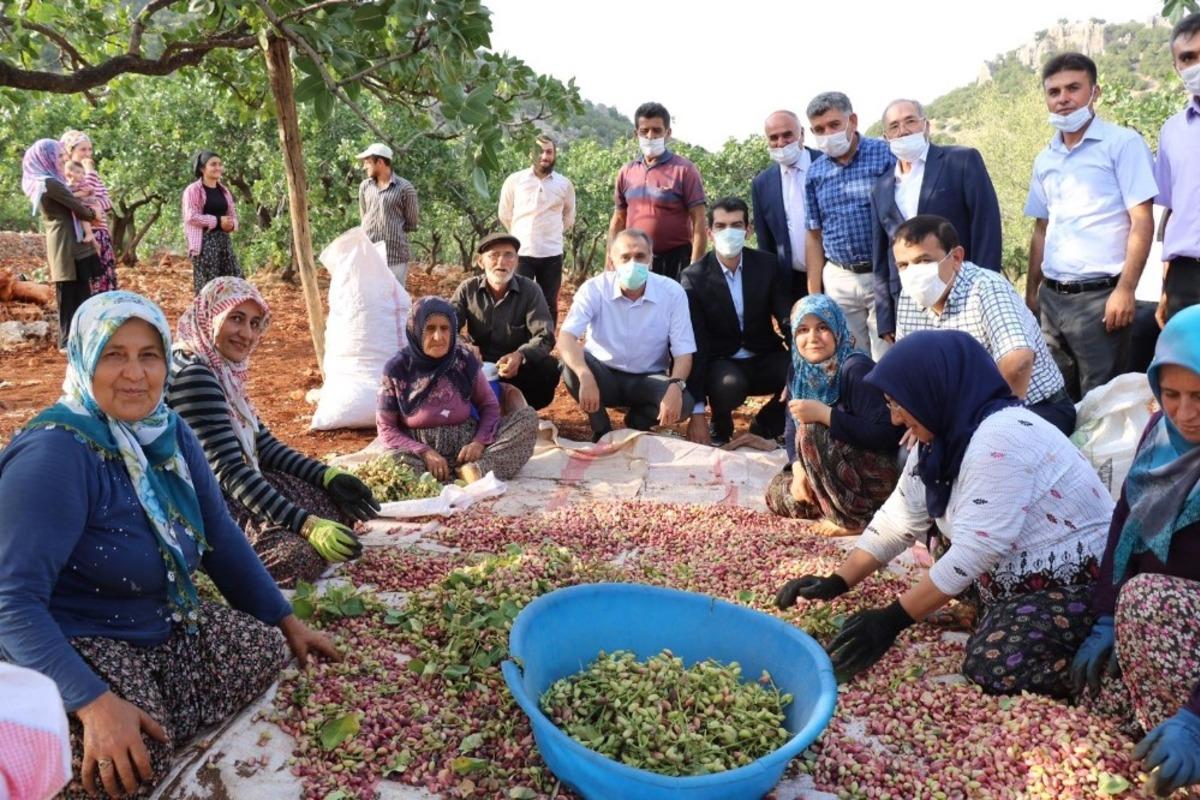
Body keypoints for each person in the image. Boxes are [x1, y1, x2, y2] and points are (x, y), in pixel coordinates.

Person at [0, 292, 337, 799]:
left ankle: (146, 703)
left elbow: (220, 536)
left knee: (261, 647)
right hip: (74, 637)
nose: (135, 373)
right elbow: (11, 601)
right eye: (114, 354)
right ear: (84, 358)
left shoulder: (167, 431)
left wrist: (287, 621)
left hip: (155, 623)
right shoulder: (57, 453)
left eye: (148, 355)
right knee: (125, 765)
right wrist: (93, 703)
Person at [776, 331, 1111, 696]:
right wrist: (837, 581)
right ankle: (996, 610)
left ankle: (1102, 668)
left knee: (994, 664)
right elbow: (899, 517)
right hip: (1009, 573)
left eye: (897, 403)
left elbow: (977, 549)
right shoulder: (940, 439)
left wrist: (892, 620)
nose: (894, 419)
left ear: (933, 389)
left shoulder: (1000, 438)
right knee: (942, 549)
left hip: (1077, 584)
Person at [167, 277, 376, 587]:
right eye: (236, 319)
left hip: (228, 486)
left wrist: (326, 477)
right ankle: (209, 570)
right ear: (211, 316)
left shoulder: (220, 370)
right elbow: (230, 472)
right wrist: (306, 525)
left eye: (254, 323)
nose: (247, 334)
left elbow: (263, 446)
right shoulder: (195, 377)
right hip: (198, 504)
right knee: (296, 558)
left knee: (336, 504)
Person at [1070, 306, 1200, 799]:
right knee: (1094, 705)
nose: (1185, 413)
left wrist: (1196, 716)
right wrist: (1107, 615)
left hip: (1176, 623)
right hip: (1163, 633)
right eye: (1171, 395)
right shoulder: (1158, 437)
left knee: (1148, 598)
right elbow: (1123, 520)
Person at [1024, 53, 1157, 400]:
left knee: (1101, 403)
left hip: (1101, 301)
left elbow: (1142, 221)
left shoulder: (1122, 144)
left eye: (1073, 88)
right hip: (1052, 299)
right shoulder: (1045, 158)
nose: (1063, 98)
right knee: (1054, 397)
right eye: (1054, 92)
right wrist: (1031, 292)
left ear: (1094, 92)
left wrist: (1126, 289)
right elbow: (1041, 228)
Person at [893, 215, 1076, 435]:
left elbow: (1018, 363)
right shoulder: (907, 298)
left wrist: (976, 425)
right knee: (912, 454)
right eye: (903, 265)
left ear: (957, 257)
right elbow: (910, 371)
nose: (913, 273)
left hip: (1036, 408)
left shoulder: (986, 288)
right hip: (959, 416)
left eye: (924, 261)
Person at [764, 295, 903, 536]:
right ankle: (829, 502)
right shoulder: (799, 368)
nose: (813, 338)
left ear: (838, 329)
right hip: (831, 473)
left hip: (874, 475)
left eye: (823, 328)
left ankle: (854, 519)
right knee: (777, 493)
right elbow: (790, 427)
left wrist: (826, 415)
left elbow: (887, 434)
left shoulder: (855, 368)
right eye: (803, 330)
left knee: (811, 430)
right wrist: (798, 470)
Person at [870, 99, 1003, 342]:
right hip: (909, 301)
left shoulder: (961, 161)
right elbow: (881, 254)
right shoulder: (881, 187)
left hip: (963, 291)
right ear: (886, 136)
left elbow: (986, 227)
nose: (903, 130)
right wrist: (886, 315)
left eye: (910, 121)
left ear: (926, 125)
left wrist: (987, 290)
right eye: (894, 126)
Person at [377, 297, 540, 482]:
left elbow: (489, 405)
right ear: (416, 330)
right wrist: (424, 452)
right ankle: (437, 476)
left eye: (444, 328)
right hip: (419, 454)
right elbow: (386, 428)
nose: (438, 337)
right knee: (390, 461)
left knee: (528, 419)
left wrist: (478, 442)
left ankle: (476, 471)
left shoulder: (463, 359)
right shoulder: (396, 369)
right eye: (429, 329)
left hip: (468, 449)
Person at [559, 229, 697, 442]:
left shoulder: (672, 292)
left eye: (640, 256)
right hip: (603, 375)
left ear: (651, 259)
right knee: (570, 366)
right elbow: (566, 337)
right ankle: (601, 429)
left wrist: (676, 385)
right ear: (612, 261)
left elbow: (683, 352)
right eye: (625, 257)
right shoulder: (594, 289)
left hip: (647, 379)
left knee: (684, 404)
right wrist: (585, 375)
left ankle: (638, 422)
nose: (633, 263)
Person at [679, 197, 790, 445]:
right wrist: (697, 412)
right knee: (728, 386)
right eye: (721, 226)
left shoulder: (767, 265)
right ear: (709, 232)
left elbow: (786, 317)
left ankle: (767, 422)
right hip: (722, 362)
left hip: (764, 354)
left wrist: (801, 356)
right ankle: (720, 419)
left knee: (800, 373)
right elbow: (696, 341)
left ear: (748, 229)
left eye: (736, 225)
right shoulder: (694, 277)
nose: (729, 232)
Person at [804, 92, 895, 360]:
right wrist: (815, 295)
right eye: (819, 129)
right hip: (839, 277)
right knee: (851, 356)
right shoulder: (816, 172)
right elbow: (813, 234)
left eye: (834, 125)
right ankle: (863, 403)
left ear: (852, 121)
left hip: (881, 272)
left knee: (888, 353)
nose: (827, 133)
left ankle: (891, 404)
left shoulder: (885, 154)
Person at [450, 232, 560, 410]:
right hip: (477, 367)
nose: (501, 262)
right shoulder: (467, 289)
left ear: (516, 261)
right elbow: (447, 328)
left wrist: (520, 355)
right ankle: (464, 411)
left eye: (508, 255)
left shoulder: (531, 290)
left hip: (514, 368)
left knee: (548, 368)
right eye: (494, 255)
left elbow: (545, 336)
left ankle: (521, 413)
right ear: (481, 261)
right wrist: (464, 347)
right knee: (444, 361)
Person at [608, 102, 707, 281]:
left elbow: (699, 221)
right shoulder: (626, 172)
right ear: (635, 134)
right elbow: (619, 219)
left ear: (668, 133)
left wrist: (695, 267)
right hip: (635, 259)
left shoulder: (684, 170)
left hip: (676, 261)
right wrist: (610, 258)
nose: (650, 136)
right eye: (644, 131)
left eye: (656, 130)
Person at [22, 138, 100, 348]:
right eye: (57, 156)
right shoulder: (50, 183)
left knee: (74, 291)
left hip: (63, 243)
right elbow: (79, 208)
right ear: (45, 158)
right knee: (72, 293)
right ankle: (68, 342)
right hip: (68, 244)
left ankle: (75, 340)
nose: (61, 160)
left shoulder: (43, 182)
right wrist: (93, 212)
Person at [1153, 12, 1200, 326]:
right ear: (1177, 67)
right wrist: (1166, 286)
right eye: (1188, 57)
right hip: (1186, 277)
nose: (1196, 64)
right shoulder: (1171, 131)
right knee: (1184, 373)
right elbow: (1172, 211)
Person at [498, 135, 576, 320]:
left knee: (549, 304)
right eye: (539, 151)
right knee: (516, 301)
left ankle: (545, 345)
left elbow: (569, 217)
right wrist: (520, 234)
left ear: (555, 155)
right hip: (521, 252)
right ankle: (518, 347)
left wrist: (551, 233)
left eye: (549, 152)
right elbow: (505, 213)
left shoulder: (564, 184)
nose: (544, 156)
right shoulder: (515, 180)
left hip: (552, 253)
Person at [751, 110, 822, 306]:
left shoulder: (826, 164)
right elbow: (765, 243)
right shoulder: (762, 183)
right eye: (773, 138)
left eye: (787, 135)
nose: (781, 142)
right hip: (792, 282)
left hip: (835, 276)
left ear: (802, 135)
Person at [61, 129, 118, 294]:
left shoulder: (93, 174)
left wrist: (97, 206)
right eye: (82, 149)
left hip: (101, 231)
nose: (87, 154)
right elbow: (79, 199)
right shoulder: (68, 175)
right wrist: (89, 172)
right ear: (70, 151)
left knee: (105, 276)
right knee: (91, 278)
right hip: (85, 234)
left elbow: (107, 201)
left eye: (89, 149)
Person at [357, 142, 420, 286]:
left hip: (395, 257)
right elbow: (364, 216)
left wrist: (391, 230)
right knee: (371, 299)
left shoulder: (405, 188)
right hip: (369, 255)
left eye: (367, 162)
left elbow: (411, 223)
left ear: (380, 162)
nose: (364, 166)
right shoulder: (365, 187)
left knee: (395, 302)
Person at [182, 150, 241, 294]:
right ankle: (206, 316)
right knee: (209, 288)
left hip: (224, 243)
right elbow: (191, 216)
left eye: (220, 164)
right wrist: (217, 221)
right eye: (213, 164)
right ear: (203, 169)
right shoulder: (193, 190)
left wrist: (232, 224)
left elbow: (233, 215)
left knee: (233, 284)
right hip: (205, 245)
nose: (218, 168)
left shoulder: (224, 191)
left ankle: (229, 316)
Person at [63, 161, 100, 256]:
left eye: (83, 173)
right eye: (78, 172)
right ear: (69, 173)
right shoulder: (67, 184)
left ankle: (89, 234)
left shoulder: (82, 184)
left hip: (88, 203)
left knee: (84, 217)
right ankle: (95, 243)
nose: (82, 175)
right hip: (81, 205)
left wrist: (72, 195)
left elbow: (85, 193)